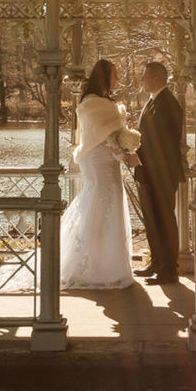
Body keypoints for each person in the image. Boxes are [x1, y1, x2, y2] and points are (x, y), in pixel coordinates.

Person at [60, 59, 139, 290]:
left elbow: (112, 134)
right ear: (104, 77)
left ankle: (107, 264)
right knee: (100, 203)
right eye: (114, 75)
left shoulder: (104, 102)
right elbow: (102, 136)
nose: (117, 79)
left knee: (109, 205)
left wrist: (123, 149)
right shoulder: (92, 103)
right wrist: (123, 153)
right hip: (97, 160)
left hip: (108, 159)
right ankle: (91, 266)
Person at [132, 60, 186, 284]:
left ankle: (169, 269)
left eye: (144, 77)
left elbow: (163, 144)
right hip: (150, 174)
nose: (142, 81)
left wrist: (137, 155)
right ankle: (156, 262)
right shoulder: (153, 102)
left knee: (164, 220)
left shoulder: (168, 104)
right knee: (152, 221)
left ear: (156, 78)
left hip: (161, 175)